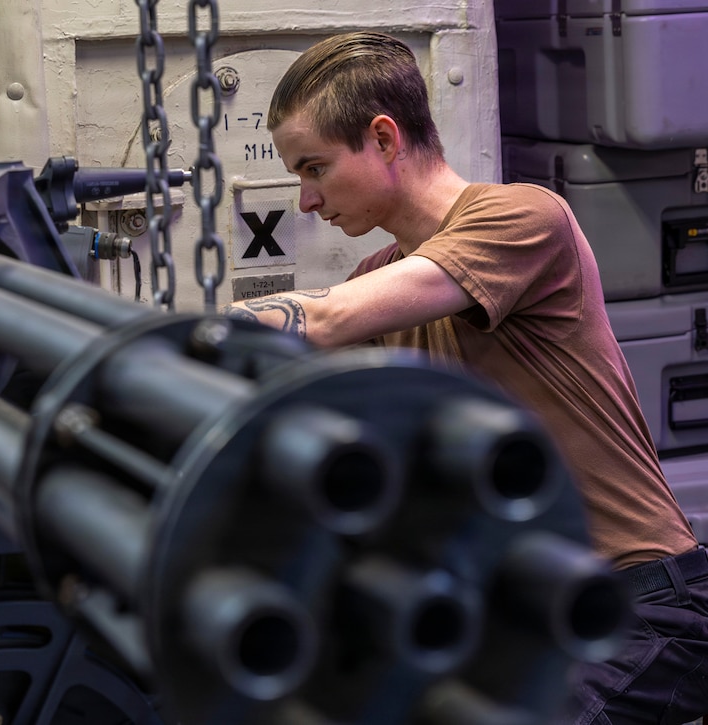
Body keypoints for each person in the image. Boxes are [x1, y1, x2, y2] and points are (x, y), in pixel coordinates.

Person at [223, 31, 708, 724]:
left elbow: (322, 322)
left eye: (315, 169)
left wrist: (180, 332)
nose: (305, 201)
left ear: (384, 139)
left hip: (639, 605)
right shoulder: (378, 282)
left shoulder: (524, 218)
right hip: (529, 620)